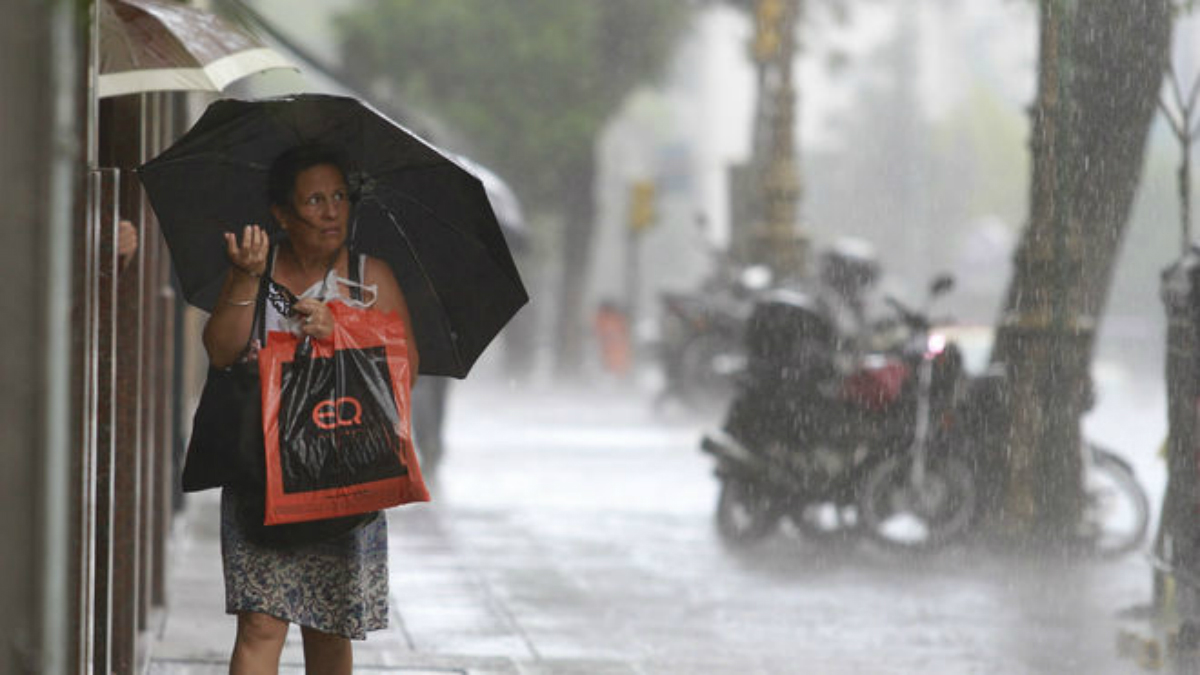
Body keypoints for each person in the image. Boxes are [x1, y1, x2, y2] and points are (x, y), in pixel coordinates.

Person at [201, 144, 417, 675]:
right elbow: (221, 351)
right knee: (259, 623)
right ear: (281, 214)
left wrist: (341, 330)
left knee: (327, 629)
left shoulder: (371, 277)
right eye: (315, 199)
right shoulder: (257, 267)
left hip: (342, 472)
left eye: (339, 196)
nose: (331, 211)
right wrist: (242, 278)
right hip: (262, 475)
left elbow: (406, 367)